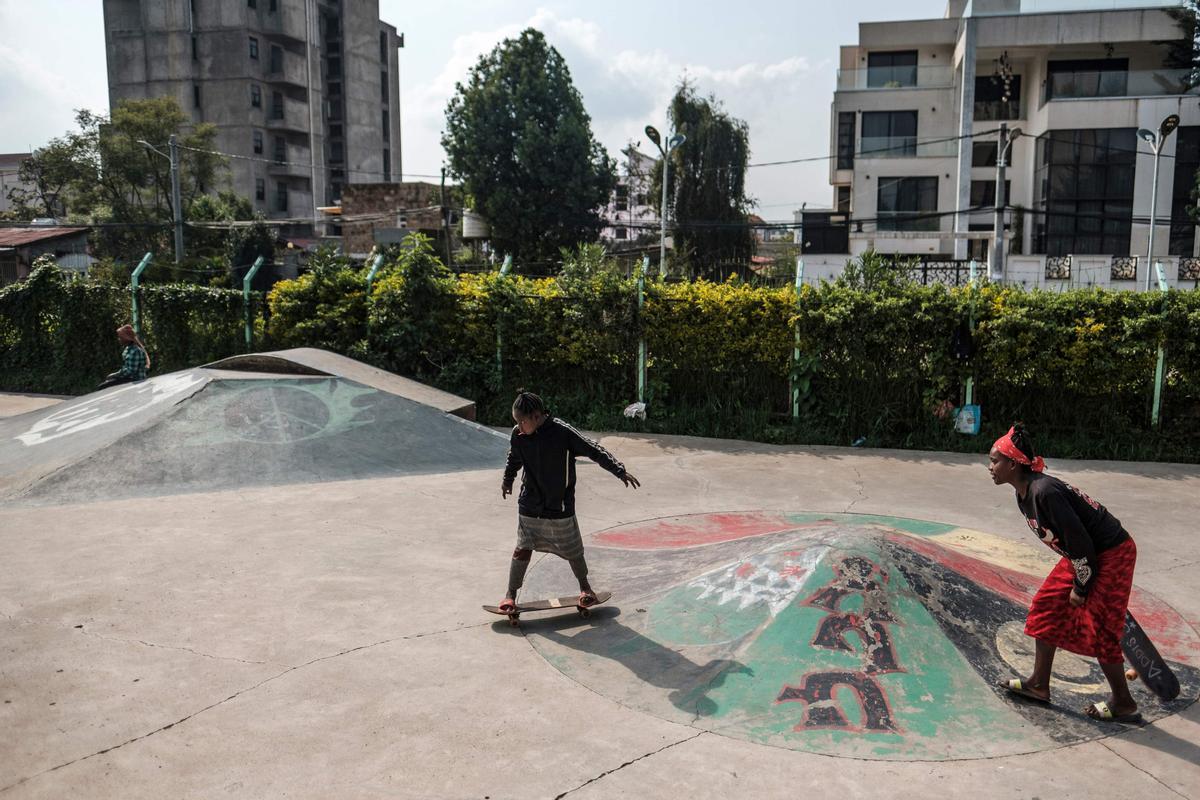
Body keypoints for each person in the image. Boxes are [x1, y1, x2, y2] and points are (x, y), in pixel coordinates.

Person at [988, 423, 1140, 723]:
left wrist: (1082, 588)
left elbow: (1084, 546)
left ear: (1014, 463)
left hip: (1110, 553)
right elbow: (1075, 547)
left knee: (1101, 628)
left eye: (995, 460)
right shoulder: (1023, 493)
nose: (990, 467)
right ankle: (1038, 685)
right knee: (1046, 607)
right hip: (1082, 556)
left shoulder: (1045, 493)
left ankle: (1124, 702)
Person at [498, 390, 640, 613]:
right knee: (522, 549)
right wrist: (508, 480)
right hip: (530, 505)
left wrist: (619, 471)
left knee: (573, 550)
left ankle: (585, 589)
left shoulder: (562, 433)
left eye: (520, 421)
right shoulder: (519, 435)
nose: (517, 426)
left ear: (535, 416)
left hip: (559, 506)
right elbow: (514, 457)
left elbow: (593, 449)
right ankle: (510, 595)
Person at [97, 324, 151, 390]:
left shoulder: (135, 351)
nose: (119, 339)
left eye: (121, 338)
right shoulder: (128, 348)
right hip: (129, 378)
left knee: (103, 386)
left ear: (127, 338)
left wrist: (115, 375)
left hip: (135, 379)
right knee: (108, 381)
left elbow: (131, 371)